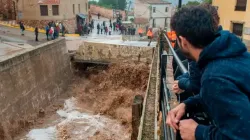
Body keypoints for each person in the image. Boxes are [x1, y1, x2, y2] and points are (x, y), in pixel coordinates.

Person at [166, 6, 250, 140]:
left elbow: (241, 136)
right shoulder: (229, 53)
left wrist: (197, 131)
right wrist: (187, 104)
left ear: (183, 41)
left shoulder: (214, 77)